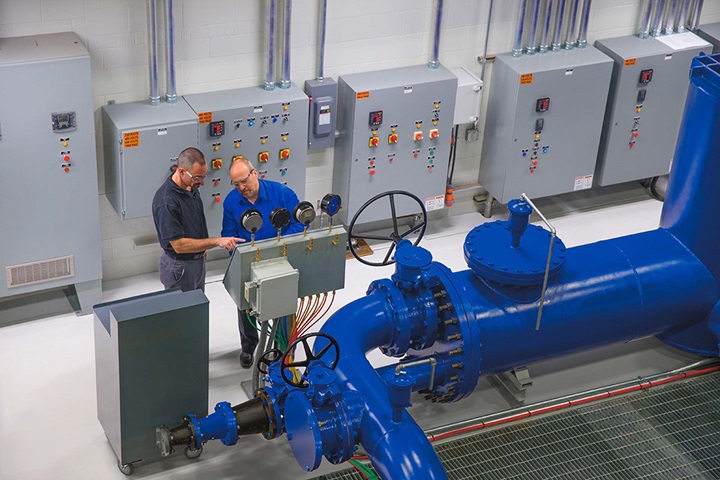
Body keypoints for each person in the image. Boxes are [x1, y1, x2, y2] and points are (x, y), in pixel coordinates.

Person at [222, 157, 304, 368]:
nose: (241, 187)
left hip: (281, 259)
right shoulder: (231, 201)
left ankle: (284, 351)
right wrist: (236, 253)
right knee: (245, 305)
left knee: (284, 305)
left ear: (255, 173)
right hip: (249, 262)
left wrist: (278, 246)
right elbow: (228, 233)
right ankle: (248, 347)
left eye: (244, 181)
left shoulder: (282, 194)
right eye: (236, 184)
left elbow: (300, 225)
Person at [152, 147, 242, 292]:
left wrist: (202, 249)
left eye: (204, 175)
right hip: (180, 267)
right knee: (185, 307)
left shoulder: (191, 187)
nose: (202, 181)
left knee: (199, 304)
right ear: (181, 171)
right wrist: (216, 241)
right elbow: (178, 245)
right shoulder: (166, 201)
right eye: (197, 177)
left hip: (197, 262)